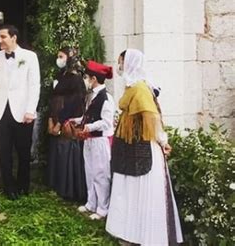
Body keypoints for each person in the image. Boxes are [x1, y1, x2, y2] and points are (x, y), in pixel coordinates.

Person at [106, 49, 183, 245]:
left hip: (144, 149)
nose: (120, 66)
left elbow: (152, 118)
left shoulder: (140, 89)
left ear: (130, 63)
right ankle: (131, 232)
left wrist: (163, 140)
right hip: (130, 147)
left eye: (121, 62)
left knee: (143, 192)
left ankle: (146, 235)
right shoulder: (132, 88)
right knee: (130, 189)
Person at [0, 24, 40, 199]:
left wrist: (30, 110)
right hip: (2, 111)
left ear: (13, 38)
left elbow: (34, 85)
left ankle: (23, 185)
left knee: (23, 151)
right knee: (4, 151)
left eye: (3, 37)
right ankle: (9, 187)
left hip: (23, 111)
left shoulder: (30, 57)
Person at [74, 60, 115, 220]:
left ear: (94, 79)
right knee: (89, 171)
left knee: (100, 174)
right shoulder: (92, 96)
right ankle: (91, 202)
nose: (86, 80)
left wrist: (89, 127)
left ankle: (102, 208)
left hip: (100, 141)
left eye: (87, 77)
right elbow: (88, 117)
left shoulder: (106, 98)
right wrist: (77, 120)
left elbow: (106, 122)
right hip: (89, 140)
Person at [47, 47, 87, 202]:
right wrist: (51, 118)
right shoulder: (60, 75)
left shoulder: (75, 78)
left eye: (61, 56)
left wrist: (61, 120)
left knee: (66, 150)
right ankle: (57, 184)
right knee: (57, 149)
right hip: (56, 114)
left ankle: (69, 188)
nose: (59, 59)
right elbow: (53, 97)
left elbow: (74, 102)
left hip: (66, 120)